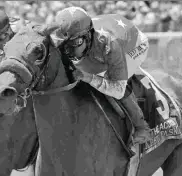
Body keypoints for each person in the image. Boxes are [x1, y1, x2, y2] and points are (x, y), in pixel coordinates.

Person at [51, 6, 151, 145]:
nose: (68, 50)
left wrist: (89, 78)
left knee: (113, 83)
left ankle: (141, 127)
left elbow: (117, 89)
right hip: (101, 41)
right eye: (64, 44)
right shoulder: (72, 39)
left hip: (132, 45)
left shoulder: (110, 44)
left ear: (88, 35)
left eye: (75, 43)